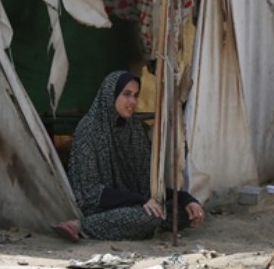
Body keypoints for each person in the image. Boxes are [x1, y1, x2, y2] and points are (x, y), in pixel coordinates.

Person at [52, 70, 205, 241]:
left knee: (182, 213)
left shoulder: (134, 129)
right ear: (111, 94)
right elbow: (91, 193)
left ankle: (138, 225)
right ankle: (81, 226)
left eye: (135, 95)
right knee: (149, 218)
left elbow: (148, 185)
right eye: (126, 94)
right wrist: (139, 201)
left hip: (134, 204)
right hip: (101, 208)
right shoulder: (89, 129)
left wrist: (187, 199)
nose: (132, 101)